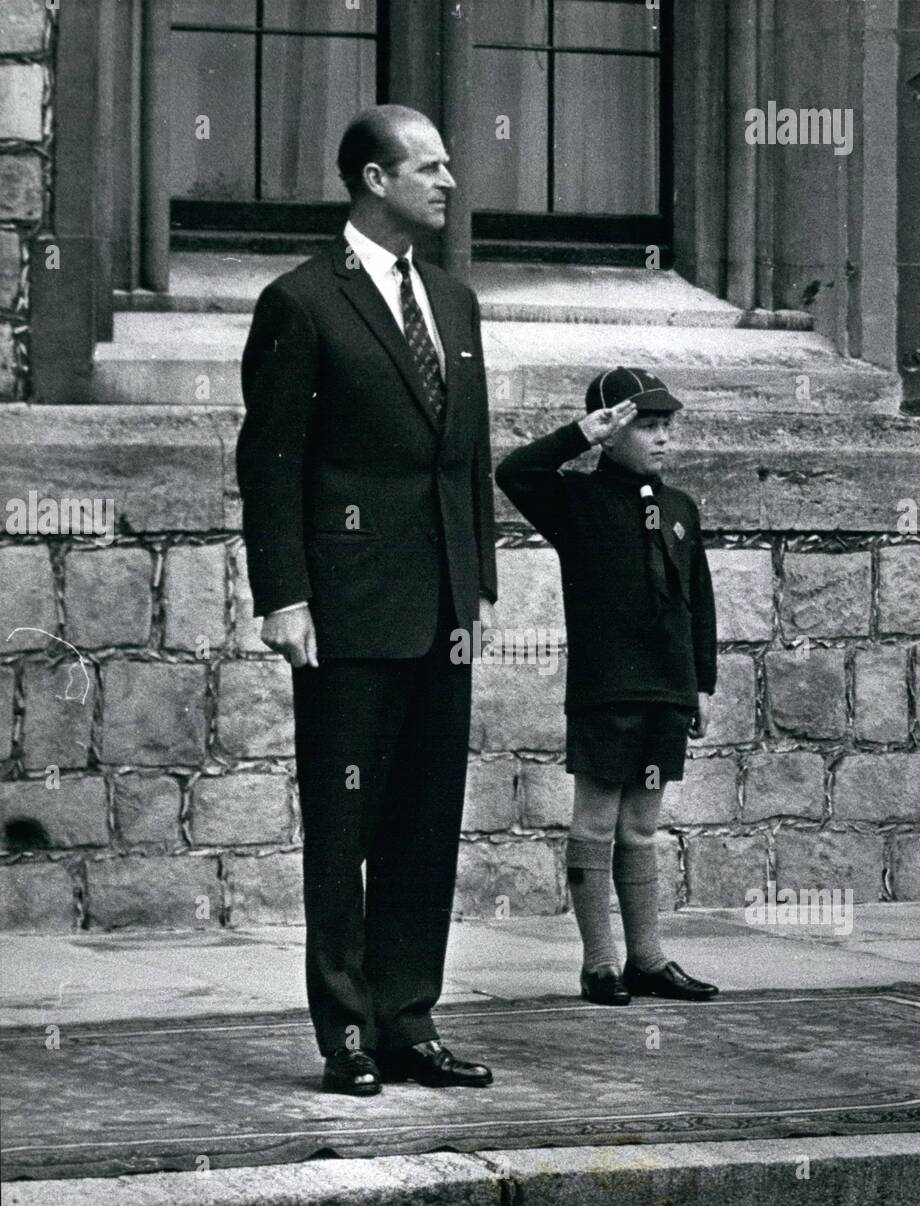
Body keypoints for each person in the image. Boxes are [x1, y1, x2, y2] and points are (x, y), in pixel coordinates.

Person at [235, 105, 498, 1095]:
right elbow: (270, 463)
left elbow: (464, 456)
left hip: (441, 612)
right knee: (344, 829)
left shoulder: (455, 302)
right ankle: (347, 1032)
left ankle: (408, 1020)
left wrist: (476, 586)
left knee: (425, 825)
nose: (448, 183)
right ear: (373, 180)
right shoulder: (301, 304)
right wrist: (285, 595)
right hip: (345, 614)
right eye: (428, 168)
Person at [496, 368, 720, 1005]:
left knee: (641, 827)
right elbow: (513, 473)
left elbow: (697, 599)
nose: (662, 438)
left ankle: (646, 960)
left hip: (667, 694)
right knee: (595, 822)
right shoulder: (576, 502)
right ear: (612, 432)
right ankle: (600, 964)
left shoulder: (680, 509)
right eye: (647, 426)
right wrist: (578, 435)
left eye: (666, 426)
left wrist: (699, 681)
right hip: (607, 692)